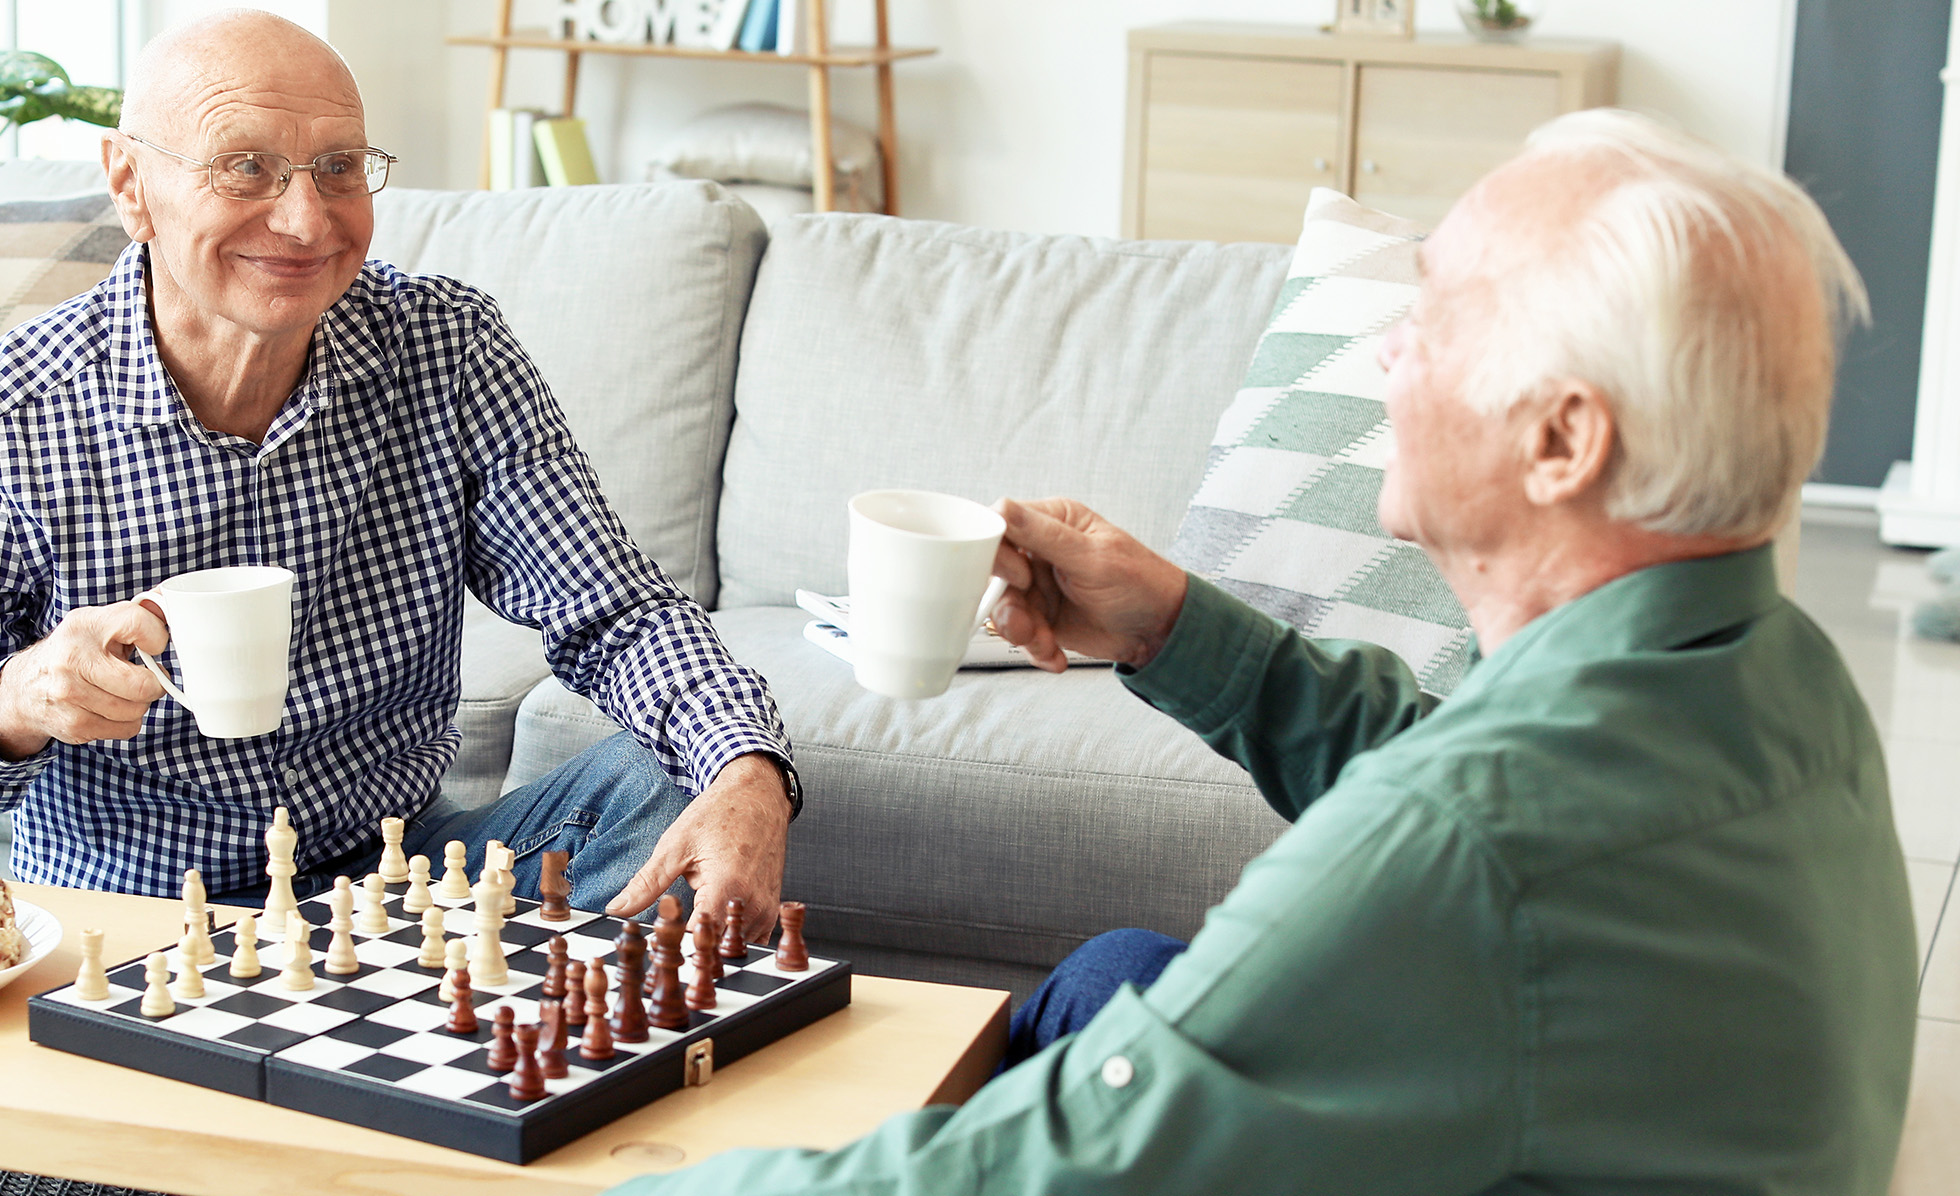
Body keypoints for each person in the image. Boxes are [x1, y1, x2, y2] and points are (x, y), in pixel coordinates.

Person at [615, 110, 1918, 1193]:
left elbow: (1041, 1173)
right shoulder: (1782, 673)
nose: (1392, 354)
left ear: (1564, 442)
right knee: (1115, 978)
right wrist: (1172, 624)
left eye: (1440, 318)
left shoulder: (1463, 853)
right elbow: (1458, 766)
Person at [0, 10, 798, 934]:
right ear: (131, 184)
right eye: (245, 167)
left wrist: (749, 770)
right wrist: (20, 697)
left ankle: (462, 1013)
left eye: (339, 168)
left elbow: (619, 612)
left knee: (697, 773)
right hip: (137, 916)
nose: (306, 220)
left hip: (399, 882)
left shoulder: (448, 348)